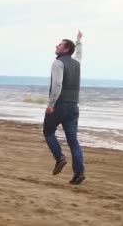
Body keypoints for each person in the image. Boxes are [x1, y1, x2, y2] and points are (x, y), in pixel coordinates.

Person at [44, 30, 85, 185]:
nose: (57, 46)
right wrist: (79, 41)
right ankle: (79, 173)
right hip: (74, 106)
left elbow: (57, 84)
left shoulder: (58, 63)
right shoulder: (77, 63)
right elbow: (79, 54)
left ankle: (59, 158)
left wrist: (51, 105)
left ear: (66, 49)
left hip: (59, 105)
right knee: (73, 141)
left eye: (60, 45)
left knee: (48, 132)